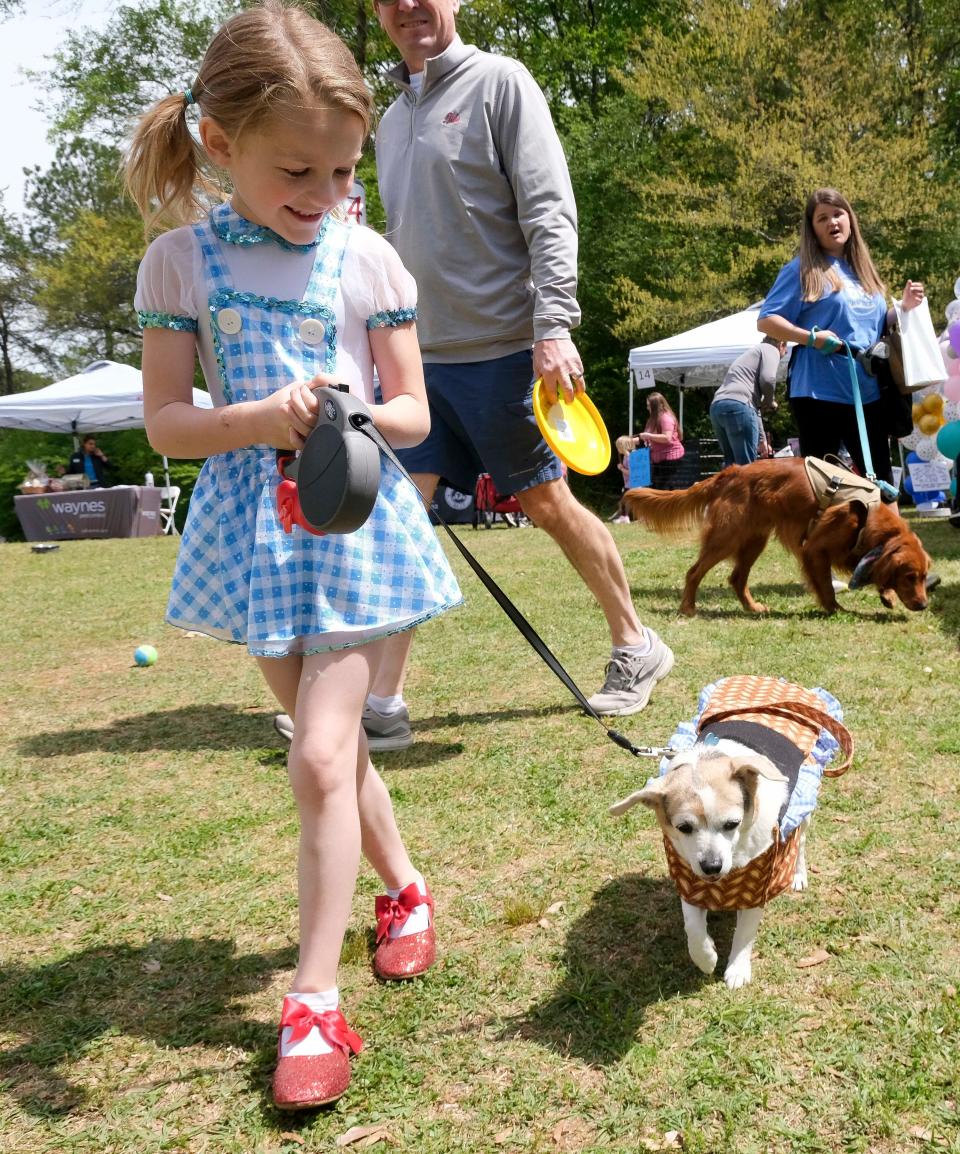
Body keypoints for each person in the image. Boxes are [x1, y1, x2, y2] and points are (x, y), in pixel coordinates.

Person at [126, 1, 462, 1110]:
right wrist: (257, 417)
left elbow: (414, 410)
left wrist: (349, 415)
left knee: (320, 756)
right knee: (336, 763)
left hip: (357, 528)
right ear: (220, 145)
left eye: (338, 172)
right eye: (296, 173)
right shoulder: (179, 264)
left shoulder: (365, 255)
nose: (321, 198)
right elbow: (168, 425)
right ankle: (405, 888)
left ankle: (313, 997)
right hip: (255, 532)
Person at [356, 0, 674, 738]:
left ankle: (637, 646)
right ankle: (380, 705)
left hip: (506, 351)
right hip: (419, 360)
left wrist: (554, 325)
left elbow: (549, 211)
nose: (408, 6)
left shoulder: (502, 83)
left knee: (547, 504)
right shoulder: (390, 119)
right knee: (405, 517)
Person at [757, 188, 925, 483]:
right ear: (813, 228)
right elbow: (766, 321)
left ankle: (887, 531)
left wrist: (903, 308)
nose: (832, 222)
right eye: (822, 218)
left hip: (867, 391)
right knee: (824, 487)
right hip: (818, 392)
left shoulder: (863, 271)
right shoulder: (802, 269)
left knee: (881, 482)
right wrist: (810, 338)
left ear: (850, 220)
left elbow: (871, 327)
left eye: (838, 214)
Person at [710, 338, 786, 468]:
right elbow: (768, 379)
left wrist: (762, 440)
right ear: (781, 344)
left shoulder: (751, 354)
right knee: (746, 468)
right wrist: (770, 400)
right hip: (739, 407)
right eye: (786, 350)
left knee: (731, 467)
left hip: (717, 406)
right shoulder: (771, 349)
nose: (785, 354)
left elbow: (753, 407)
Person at [635, 392, 685, 490]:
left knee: (664, 490)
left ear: (656, 406)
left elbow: (667, 438)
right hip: (658, 459)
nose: (647, 408)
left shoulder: (665, 418)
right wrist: (627, 441)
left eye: (649, 406)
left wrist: (648, 435)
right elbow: (645, 438)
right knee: (657, 489)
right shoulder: (652, 419)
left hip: (670, 459)